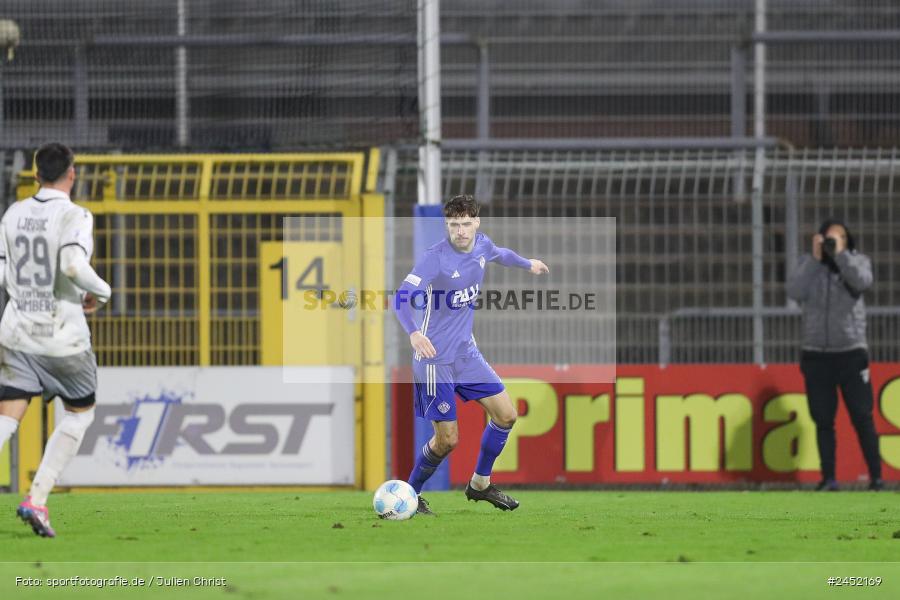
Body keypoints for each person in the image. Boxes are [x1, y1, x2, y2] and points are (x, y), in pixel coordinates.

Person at [392, 194, 549, 515]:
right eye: (453, 225)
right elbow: (401, 297)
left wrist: (527, 263)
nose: (460, 231)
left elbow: (500, 254)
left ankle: (480, 484)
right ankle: (410, 494)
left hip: (466, 355)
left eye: (466, 224)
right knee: (447, 441)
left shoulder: (481, 244)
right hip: (435, 360)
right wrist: (414, 332)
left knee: (506, 415)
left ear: (476, 222)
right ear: (446, 225)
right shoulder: (434, 258)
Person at [0, 142, 111, 537]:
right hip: (62, 337)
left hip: (16, 331)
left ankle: (37, 501)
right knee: (81, 413)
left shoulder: (13, 213)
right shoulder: (75, 215)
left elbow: (2, 272)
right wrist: (103, 292)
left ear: (35, 175)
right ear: (72, 173)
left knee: (7, 415)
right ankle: (37, 500)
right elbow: (71, 264)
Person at [786, 218, 882, 491]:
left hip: (851, 352)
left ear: (847, 239)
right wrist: (817, 260)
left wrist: (841, 255)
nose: (831, 241)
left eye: (837, 237)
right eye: (827, 238)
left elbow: (863, 282)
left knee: (862, 416)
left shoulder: (857, 260)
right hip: (816, 354)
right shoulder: (809, 264)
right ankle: (828, 478)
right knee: (823, 419)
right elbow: (794, 291)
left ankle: (876, 478)